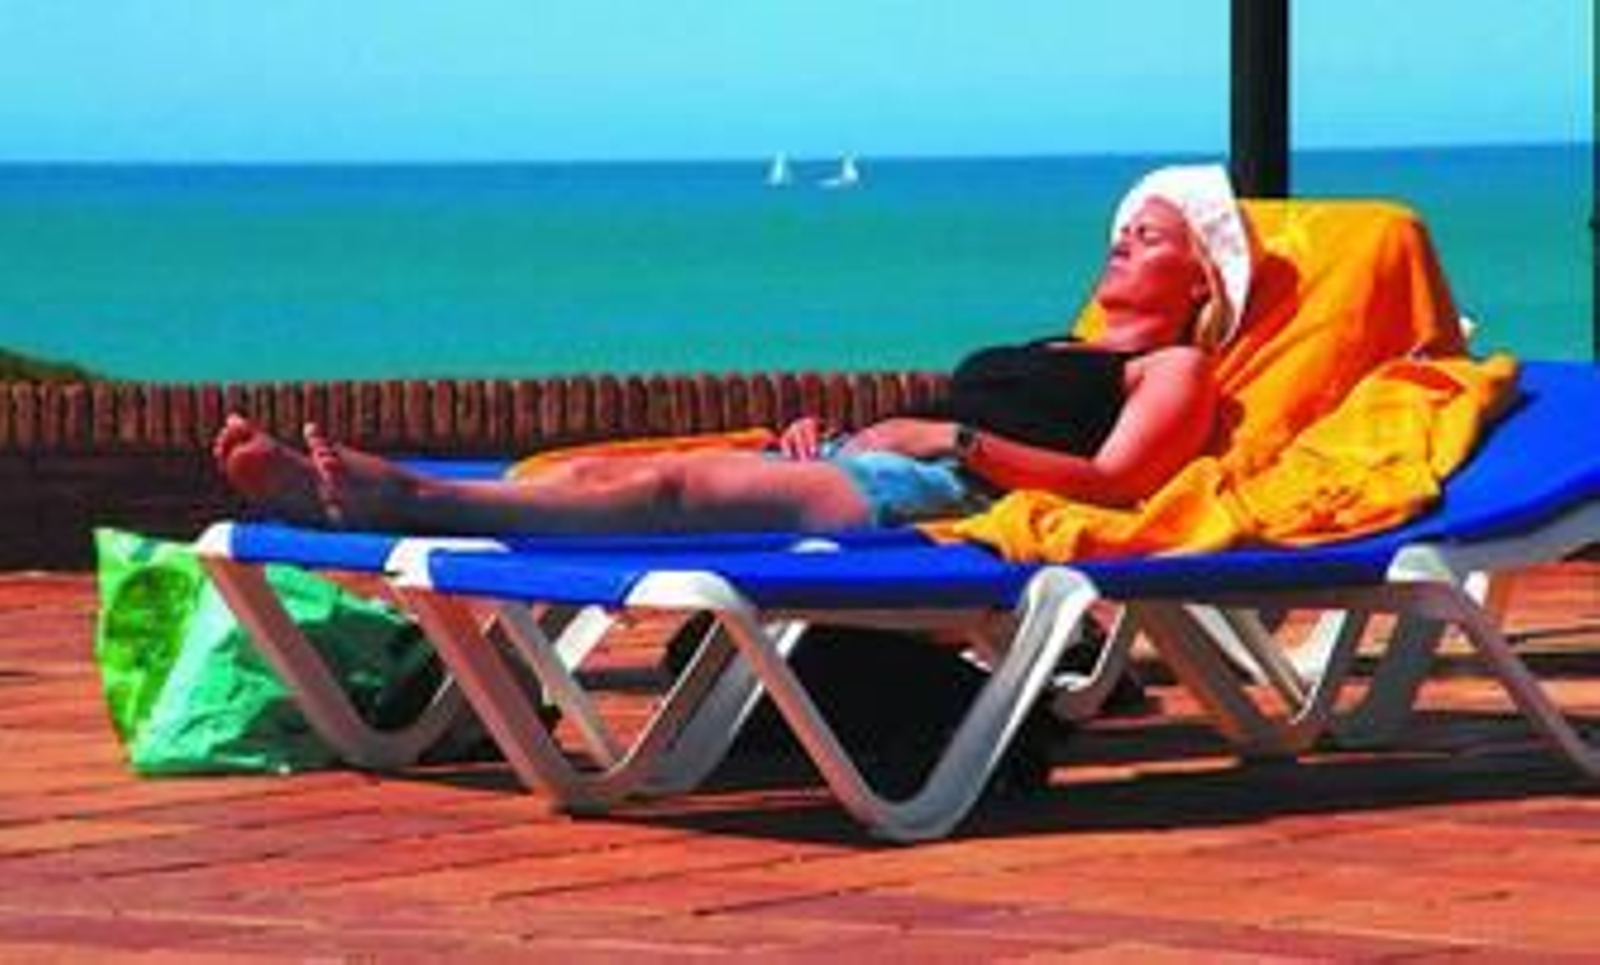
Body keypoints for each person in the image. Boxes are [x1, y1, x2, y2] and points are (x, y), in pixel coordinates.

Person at [214, 163, 1254, 536]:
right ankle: (322, 496)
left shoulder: (1172, 368)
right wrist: (840, 434)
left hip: (945, 500)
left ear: (1198, 278)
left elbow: (1117, 485)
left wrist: (960, 438)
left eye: (1149, 236)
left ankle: (414, 499)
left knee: (672, 490)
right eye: (1119, 229)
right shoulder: (1054, 343)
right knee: (596, 470)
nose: (1121, 241)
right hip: (868, 462)